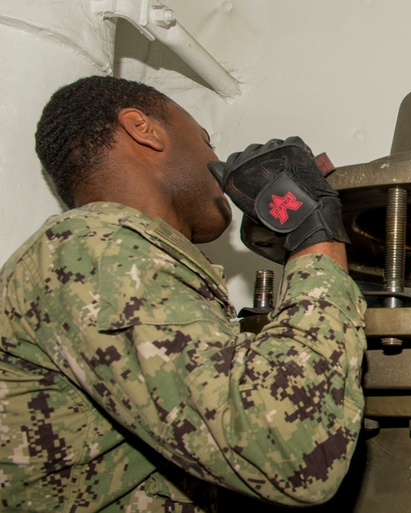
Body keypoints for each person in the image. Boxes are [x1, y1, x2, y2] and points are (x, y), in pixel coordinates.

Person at [0, 75, 367, 511]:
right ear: (144, 129)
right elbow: (294, 453)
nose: (214, 157)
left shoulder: (110, 258)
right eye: (206, 139)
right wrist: (315, 233)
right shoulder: (97, 248)